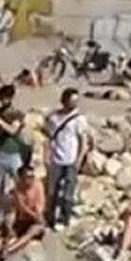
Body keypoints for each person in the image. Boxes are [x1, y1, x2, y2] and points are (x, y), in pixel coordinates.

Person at [0, 165, 46, 261]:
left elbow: (39, 207)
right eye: (28, 177)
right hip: (21, 219)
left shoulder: (38, 186)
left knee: (33, 230)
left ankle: (7, 251)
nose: (31, 180)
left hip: (33, 220)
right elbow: (18, 209)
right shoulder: (17, 190)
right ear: (21, 178)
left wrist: (37, 216)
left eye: (32, 177)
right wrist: (8, 224)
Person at [44, 87, 89, 230]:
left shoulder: (79, 119)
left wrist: (79, 160)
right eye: (72, 100)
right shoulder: (54, 118)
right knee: (51, 191)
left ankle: (64, 219)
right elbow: (49, 138)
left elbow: (83, 141)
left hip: (71, 160)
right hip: (56, 159)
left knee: (68, 193)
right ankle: (49, 218)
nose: (75, 104)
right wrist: (46, 156)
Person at [0, 84, 26, 221]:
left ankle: (20, 216)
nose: (3, 100)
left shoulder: (17, 114)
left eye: (5, 98)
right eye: (1, 98)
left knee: (19, 187)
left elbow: (13, 130)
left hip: (13, 153)